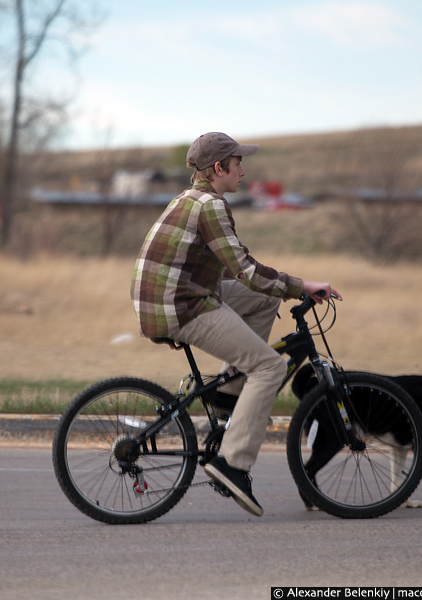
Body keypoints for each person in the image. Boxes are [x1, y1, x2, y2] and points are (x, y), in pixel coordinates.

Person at [131, 132, 339, 517]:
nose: (243, 169)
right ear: (218, 168)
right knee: (271, 366)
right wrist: (303, 286)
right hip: (181, 305)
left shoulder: (188, 198)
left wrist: (285, 288)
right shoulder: (210, 206)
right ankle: (232, 464)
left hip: (174, 296)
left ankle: (230, 391)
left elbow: (252, 283)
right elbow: (245, 270)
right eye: (238, 162)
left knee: (265, 299)